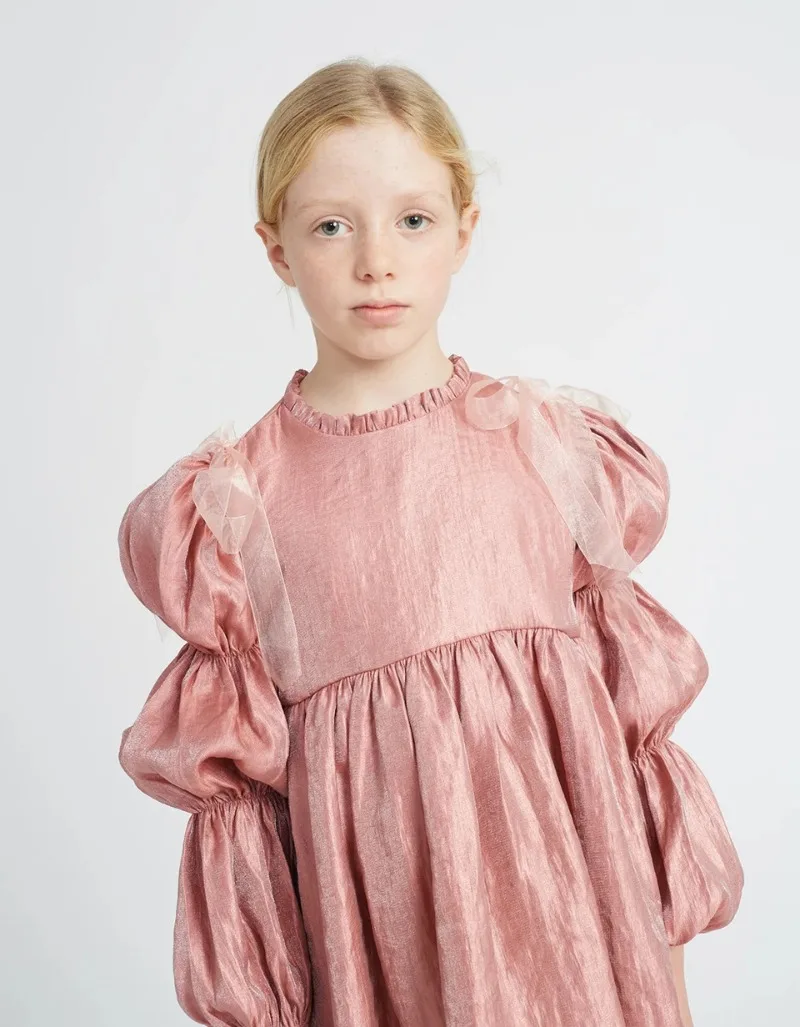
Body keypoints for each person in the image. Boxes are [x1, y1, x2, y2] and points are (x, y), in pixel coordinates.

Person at [117, 57, 744, 1027]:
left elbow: (633, 759)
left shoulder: (550, 449)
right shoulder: (236, 509)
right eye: (332, 226)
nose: (377, 260)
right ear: (276, 248)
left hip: (585, 969)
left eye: (412, 219)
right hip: (388, 978)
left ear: (463, 230)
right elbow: (248, 846)